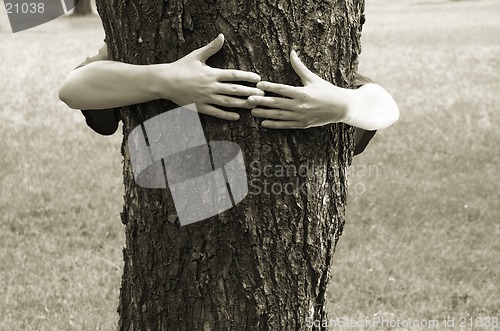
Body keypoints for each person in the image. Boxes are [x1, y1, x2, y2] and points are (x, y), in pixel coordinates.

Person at [59, 34, 399, 155]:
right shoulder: (147, 36)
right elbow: (73, 88)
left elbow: (384, 106)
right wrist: (163, 80)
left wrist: (345, 104)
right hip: (179, 221)